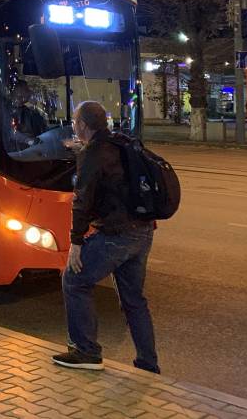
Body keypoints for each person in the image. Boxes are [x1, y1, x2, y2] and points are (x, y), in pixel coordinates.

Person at [53, 100, 159, 373]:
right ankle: (148, 364)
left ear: (83, 126)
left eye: (75, 122)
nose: (73, 126)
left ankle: (86, 351)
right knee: (133, 299)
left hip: (116, 235)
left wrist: (76, 242)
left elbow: (82, 200)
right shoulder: (122, 143)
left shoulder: (93, 154)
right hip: (144, 231)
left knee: (74, 280)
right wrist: (84, 152)